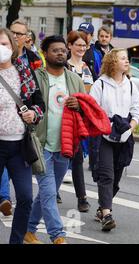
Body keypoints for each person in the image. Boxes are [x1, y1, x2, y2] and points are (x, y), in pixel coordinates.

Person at [24, 35, 85, 244]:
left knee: (46, 194)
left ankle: (28, 230)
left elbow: (86, 108)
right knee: (49, 193)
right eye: (55, 50)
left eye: (62, 50)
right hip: (41, 145)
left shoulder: (75, 79)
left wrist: (79, 107)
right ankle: (58, 236)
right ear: (45, 53)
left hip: (66, 146)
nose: (60, 53)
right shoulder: (36, 77)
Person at [0, 28, 45, 244]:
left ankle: (16, 241)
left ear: (14, 46)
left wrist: (32, 114)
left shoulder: (24, 72)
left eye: (5, 44)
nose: (2, 48)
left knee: (26, 197)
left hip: (19, 146)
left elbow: (40, 104)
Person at [90, 48, 139, 232]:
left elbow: (137, 111)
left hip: (124, 136)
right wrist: (105, 125)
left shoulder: (130, 84)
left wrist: (130, 127)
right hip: (104, 135)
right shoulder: (100, 84)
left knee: (116, 179)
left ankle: (101, 208)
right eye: (122, 58)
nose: (127, 62)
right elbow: (93, 110)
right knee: (107, 175)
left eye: (127, 59)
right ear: (113, 62)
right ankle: (106, 214)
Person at [66, 30, 95, 212]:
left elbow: (89, 92)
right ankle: (52, 192)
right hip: (63, 116)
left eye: (84, 45)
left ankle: (82, 197)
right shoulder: (63, 66)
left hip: (80, 118)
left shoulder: (86, 67)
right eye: (78, 45)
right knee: (58, 156)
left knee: (77, 158)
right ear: (69, 46)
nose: (81, 48)